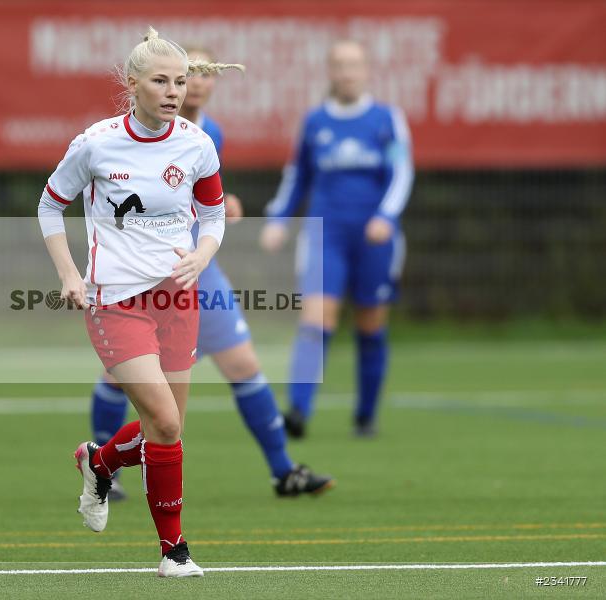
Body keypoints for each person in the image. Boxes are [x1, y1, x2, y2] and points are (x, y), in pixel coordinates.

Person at [38, 28, 242, 577]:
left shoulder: (197, 144)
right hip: (114, 299)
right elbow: (50, 205)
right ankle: (174, 552)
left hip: (177, 297)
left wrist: (203, 252)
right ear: (132, 84)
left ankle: (98, 463)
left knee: (168, 426)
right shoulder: (96, 143)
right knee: (164, 421)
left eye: (181, 81)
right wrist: (68, 274)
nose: (174, 91)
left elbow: (215, 214)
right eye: (161, 81)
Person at [89, 45, 334, 502]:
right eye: (186, 74)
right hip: (144, 278)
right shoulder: (129, 135)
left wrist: (225, 207)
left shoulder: (208, 133)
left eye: (200, 74)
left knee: (243, 364)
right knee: (118, 376)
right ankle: (107, 470)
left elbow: (201, 195)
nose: (194, 82)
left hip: (200, 273)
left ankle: (283, 471)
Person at [261, 40, 413, 439]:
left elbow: (402, 173)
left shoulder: (386, 119)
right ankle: (298, 410)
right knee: (316, 319)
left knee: (370, 323)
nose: (347, 73)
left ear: (366, 71)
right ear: (330, 71)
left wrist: (385, 216)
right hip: (325, 236)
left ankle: (365, 416)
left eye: (354, 65)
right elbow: (298, 177)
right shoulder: (314, 122)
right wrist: (278, 218)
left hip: (375, 238)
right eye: (340, 65)